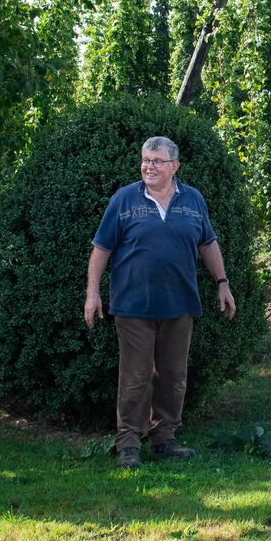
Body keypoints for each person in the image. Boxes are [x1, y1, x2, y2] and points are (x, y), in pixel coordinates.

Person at [84, 136, 236, 469]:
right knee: (135, 377)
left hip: (180, 305)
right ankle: (128, 443)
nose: (148, 166)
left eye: (156, 161)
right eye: (145, 160)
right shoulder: (125, 200)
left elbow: (208, 244)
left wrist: (222, 283)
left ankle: (164, 438)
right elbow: (101, 249)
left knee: (172, 376)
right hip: (133, 306)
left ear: (174, 166)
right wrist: (92, 292)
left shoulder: (193, 200)